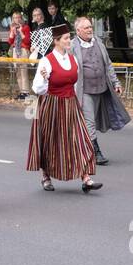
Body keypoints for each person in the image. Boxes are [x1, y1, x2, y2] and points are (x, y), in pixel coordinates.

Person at [27, 23, 100, 192]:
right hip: (52, 104)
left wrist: (76, 102)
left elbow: (74, 84)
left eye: (69, 37)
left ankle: (86, 177)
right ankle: (45, 175)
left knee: (80, 140)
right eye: (66, 38)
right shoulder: (47, 61)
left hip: (71, 104)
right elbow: (37, 89)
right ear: (56, 41)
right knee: (51, 142)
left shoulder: (72, 58)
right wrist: (45, 79)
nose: (69, 41)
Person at [73, 16, 122, 166]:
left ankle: (79, 148)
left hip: (102, 87)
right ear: (78, 30)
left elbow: (108, 64)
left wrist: (115, 82)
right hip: (84, 89)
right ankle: (96, 152)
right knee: (89, 122)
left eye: (90, 27)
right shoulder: (72, 46)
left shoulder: (98, 42)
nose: (90, 30)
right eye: (86, 27)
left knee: (92, 121)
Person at [7, 10, 31, 98]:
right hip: (15, 50)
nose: (16, 19)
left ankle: (26, 92)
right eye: (14, 18)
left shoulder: (26, 27)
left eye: (18, 17)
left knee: (23, 71)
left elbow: (27, 41)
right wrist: (12, 32)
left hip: (23, 50)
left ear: (21, 18)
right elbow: (10, 41)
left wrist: (20, 32)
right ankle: (21, 92)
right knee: (18, 72)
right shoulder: (13, 27)